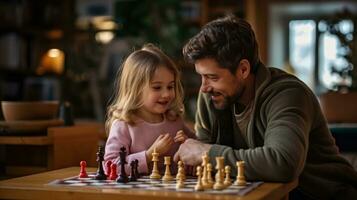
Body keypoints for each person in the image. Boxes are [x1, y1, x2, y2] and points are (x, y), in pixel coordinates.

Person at [174, 15, 357, 199]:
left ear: (243, 70)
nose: (204, 87)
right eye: (201, 76)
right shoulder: (212, 95)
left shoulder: (288, 94)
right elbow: (205, 163)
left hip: (321, 194)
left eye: (213, 77)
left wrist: (206, 152)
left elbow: (283, 163)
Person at [104, 43, 195, 175]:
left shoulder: (174, 119)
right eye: (157, 87)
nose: (166, 94)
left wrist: (188, 142)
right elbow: (110, 166)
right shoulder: (124, 125)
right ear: (135, 89)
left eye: (170, 87)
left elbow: (198, 149)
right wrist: (150, 154)